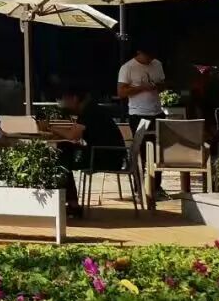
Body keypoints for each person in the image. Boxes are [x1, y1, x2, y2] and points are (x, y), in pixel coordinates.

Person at [57, 83, 126, 217]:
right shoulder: (91, 109)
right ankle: (71, 203)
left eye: (65, 99)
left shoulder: (89, 111)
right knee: (64, 151)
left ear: (75, 98)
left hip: (107, 157)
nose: (63, 102)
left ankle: (72, 205)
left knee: (62, 157)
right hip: (108, 154)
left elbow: (73, 136)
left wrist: (49, 128)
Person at [118, 45, 167, 196]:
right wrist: (141, 87)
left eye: (152, 56)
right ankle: (139, 186)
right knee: (140, 151)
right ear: (139, 52)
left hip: (157, 112)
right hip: (138, 114)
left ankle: (156, 186)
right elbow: (121, 92)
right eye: (148, 55)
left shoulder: (157, 64)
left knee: (158, 151)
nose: (150, 59)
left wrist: (156, 85)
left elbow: (163, 85)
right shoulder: (128, 67)